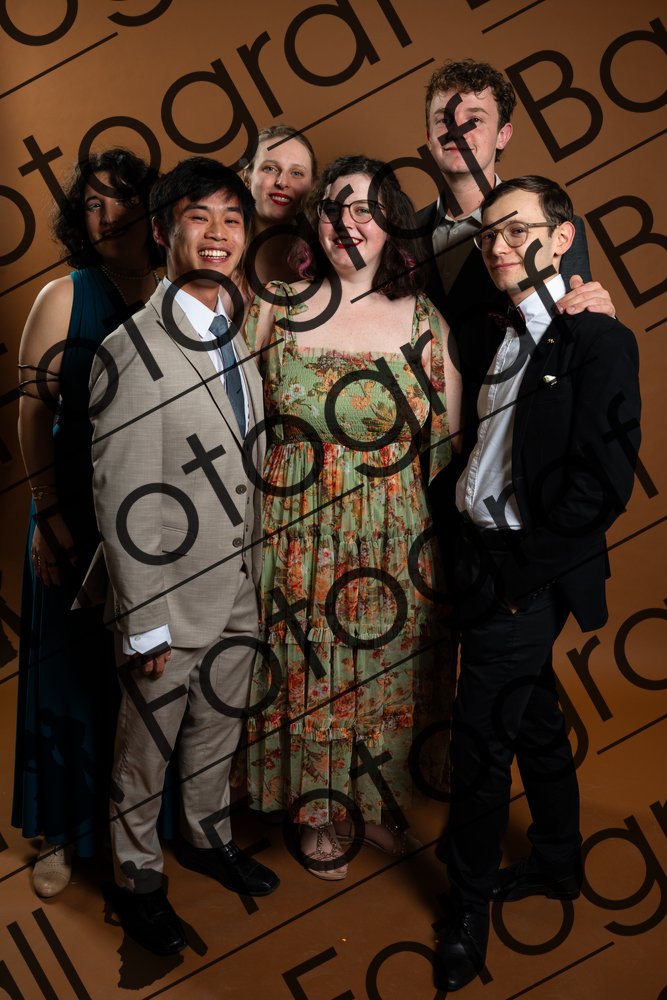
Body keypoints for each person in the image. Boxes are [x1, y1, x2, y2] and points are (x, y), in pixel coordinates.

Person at [435, 176, 640, 991]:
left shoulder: (596, 339)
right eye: (487, 233)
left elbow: (602, 487)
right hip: (477, 554)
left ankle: (463, 912)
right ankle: (557, 860)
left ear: (561, 238)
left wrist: (521, 578)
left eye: (515, 230)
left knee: (479, 742)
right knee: (533, 718)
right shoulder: (499, 329)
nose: (496, 245)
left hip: (524, 572)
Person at [245, 155, 461, 880]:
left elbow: (452, 444)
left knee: (378, 677)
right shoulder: (276, 305)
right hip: (294, 535)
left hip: (390, 535)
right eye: (335, 207)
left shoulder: (424, 319)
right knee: (305, 673)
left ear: (392, 225)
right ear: (316, 221)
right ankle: (317, 812)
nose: (348, 223)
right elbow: (228, 418)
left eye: (366, 210)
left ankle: (368, 807)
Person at [88, 157, 279, 956]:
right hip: (166, 596)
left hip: (237, 583)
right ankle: (136, 880)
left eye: (233, 219)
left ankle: (205, 834)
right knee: (145, 753)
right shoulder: (132, 348)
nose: (218, 233)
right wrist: (144, 621)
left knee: (216, 728)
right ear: (164, 232)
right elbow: (121, 491)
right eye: (199, 216)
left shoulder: (232, 331)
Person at [13, 148, 160, 897]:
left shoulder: (180, 291)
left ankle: (137, 828)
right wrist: (48, 515)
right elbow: (32, 411)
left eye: (122, 200)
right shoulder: (62, 296)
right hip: (71, 515)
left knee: (145, 679)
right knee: (69, 678)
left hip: (158, 520)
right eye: (92, 204)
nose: (107, 216)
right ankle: (62, 833)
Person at [417, 58, 615, 329]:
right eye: (443, 120)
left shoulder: (553, 227)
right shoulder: (397, 236)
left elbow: (581, 328)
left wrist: (603, 314)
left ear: (503, 135)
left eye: (474, 119)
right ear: (429, 137)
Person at [242, 124, 317, 289]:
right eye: (270, 168)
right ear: (247, 178)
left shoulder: (328, 261)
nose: (282, 182)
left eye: (296, 173)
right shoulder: (219, 253)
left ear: (312, 186)